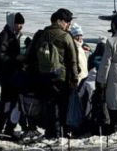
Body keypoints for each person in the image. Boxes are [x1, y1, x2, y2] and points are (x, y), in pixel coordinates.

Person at [26, 8, 79, 139]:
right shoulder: (66, 36)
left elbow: (30, 56)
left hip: (43, 76)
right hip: (61, 77)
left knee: (48, 105)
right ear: (59, 21)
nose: (69, 25)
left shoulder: (41, 34)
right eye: (67, 21)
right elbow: (73, 60)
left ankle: (50, 132)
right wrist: (75, 78)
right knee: (62, 106)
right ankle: (60, 133)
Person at [0, 12, 25, 138]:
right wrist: (16, 59)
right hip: (6, 75)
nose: (20, 26)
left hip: (10, 74)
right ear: (12, 23)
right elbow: (1, 57)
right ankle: (1, 130)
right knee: (7, 102)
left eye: (22, 24)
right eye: (18, 23)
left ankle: (6, 129)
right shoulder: (5, 36)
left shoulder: (13, 34)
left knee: (12, 102)